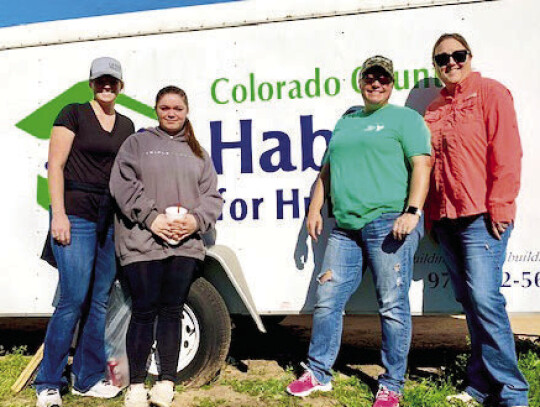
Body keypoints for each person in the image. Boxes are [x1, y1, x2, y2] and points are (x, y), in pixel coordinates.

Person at [286, 56, 432, 407]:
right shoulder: (347, 122)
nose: (376, 83)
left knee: (393, 306)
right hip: (345, 228)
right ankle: (319, 373)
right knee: (327, 300)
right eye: (370, 77)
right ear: (361, 81)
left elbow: (422, 164)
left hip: (389, 223)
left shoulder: (405, 119)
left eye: (383, 78)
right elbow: (327, 171)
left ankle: (392, 384)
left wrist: (412, 211)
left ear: (391, 82)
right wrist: (314, 209)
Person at [424, 33, 529, 407]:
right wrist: (432, 218)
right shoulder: (434, 109)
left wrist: (501, 204)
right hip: (448, 220)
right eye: (442, 58)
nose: (450, 62)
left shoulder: (490, 93)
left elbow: (507, 152)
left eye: (457, 54)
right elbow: (431, 168)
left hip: (482, 216)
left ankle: (513, 391)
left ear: (469, 56)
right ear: (435, 66)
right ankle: (480, 384)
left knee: (485, 300)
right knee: (470, 302)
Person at [109, 85, 223, 407]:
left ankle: (166, 382)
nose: (171, 113)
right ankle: (135, 386)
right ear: (156, 110)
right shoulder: (137, 143)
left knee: (172, 310)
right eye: (165, 108)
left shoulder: (198, 152)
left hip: (184, 245)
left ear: (186, 111)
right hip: (142, 241)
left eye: (177, 108)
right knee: (144, 310)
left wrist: (195, 221)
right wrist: (152, 218)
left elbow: (212, 198)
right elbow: (121, 185)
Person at [35, 57, 135, 407]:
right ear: (92, 84)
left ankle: (87, 379)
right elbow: (56, 166)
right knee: (73, 299)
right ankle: (48, 382)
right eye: (100, 81)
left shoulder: (127, 125)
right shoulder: (73, 113)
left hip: (109, 219)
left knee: (98, 302)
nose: (106, 86)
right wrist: (58, 215)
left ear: (120, 86)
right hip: (75, 214)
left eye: (112, 81)